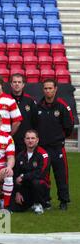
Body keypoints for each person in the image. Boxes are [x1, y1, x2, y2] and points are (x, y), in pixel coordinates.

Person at [36, 78, 74, 210]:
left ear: (55, 89)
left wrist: (59, 138)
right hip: (42, 149)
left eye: (50, 88)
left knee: (61, 175)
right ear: (43, 90)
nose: (48, 91)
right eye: (45, 88)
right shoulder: (38, 106)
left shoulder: (63, 106)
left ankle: (63, 201)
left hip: (57, 148)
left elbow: (69, 127)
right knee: (43, 176)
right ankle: (45, 201)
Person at [11, 130, 50, 214]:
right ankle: (30, 203)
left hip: (40, 186)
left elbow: (41, 173)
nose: (30, 140)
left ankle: (39, 203)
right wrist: (17, 192)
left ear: (37, 140)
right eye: (28, 138)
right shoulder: (20, 156)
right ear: (24, 140)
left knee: (36, 182)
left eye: (33, 138)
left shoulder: (43, 154)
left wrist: (24, 177)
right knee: (15, 208)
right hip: (26, 187)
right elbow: (16, 175)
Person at [10, 73, 38, 155]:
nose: (17, 84)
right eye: (14, 82)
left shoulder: (30, 101)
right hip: (10, 140)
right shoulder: (5, 99)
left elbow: (35, 122)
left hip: (25, 142)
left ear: (23, 84)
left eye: (19, 82)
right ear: (11, 84)